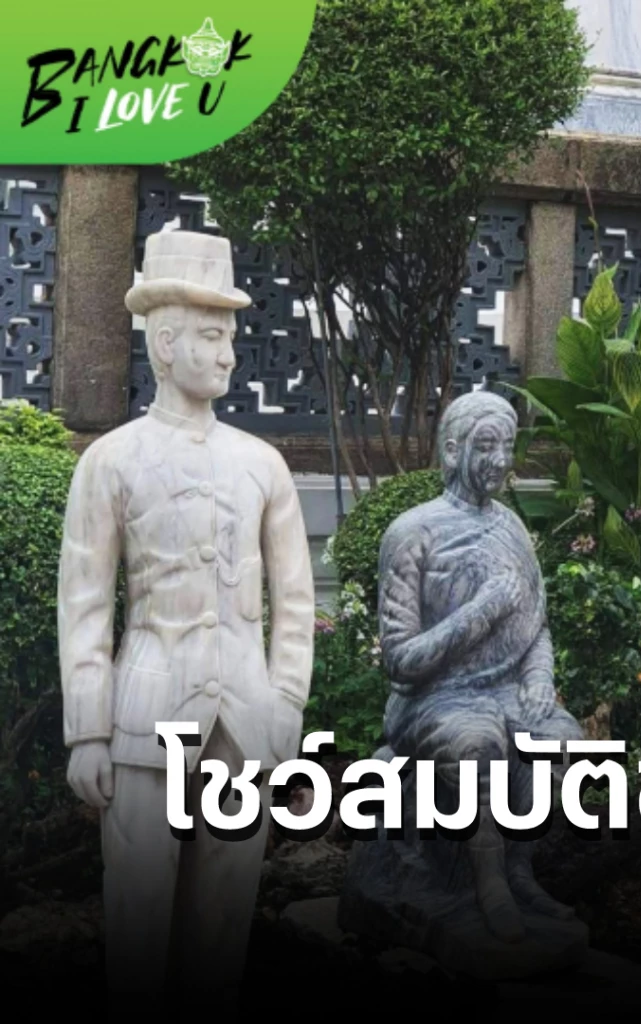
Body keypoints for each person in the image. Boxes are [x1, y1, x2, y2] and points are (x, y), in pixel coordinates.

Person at [58, 229, 315, 1009]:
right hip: (144, 718)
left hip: (245, 718)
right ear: (165, 344)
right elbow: (85, 603)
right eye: (211, 336)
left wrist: (286, 706)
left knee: (222, 924)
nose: (229, 354)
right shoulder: (110, 461)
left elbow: (295, 601)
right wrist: (87, 731)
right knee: (138, 917)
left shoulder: (262, 465)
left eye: (231, 336)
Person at [338, 389, 586, 974]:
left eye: (508, 446)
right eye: (486, 446)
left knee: (564, 744)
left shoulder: (512, 527)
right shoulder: (413, 532)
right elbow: (401, 660)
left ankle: (519, 873)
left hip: (507, 691)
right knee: (477, 745)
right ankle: (487, 884)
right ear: (452, 450)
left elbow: (536, 624)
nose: (501, 460)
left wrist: (540, 678)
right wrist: (481, 609)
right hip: (434, 699)